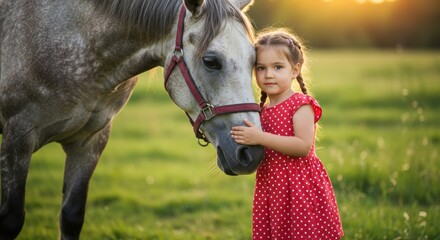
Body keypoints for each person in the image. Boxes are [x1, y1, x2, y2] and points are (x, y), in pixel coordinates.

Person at [230, 28, 344, 239]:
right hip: (272, 187)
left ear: (295, 70)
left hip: (300, 186)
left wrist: (260, 137)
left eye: (278, 67)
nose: (268, 74)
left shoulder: (300, 105)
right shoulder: (260, 111)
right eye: (261, 68)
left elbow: (302, 146)